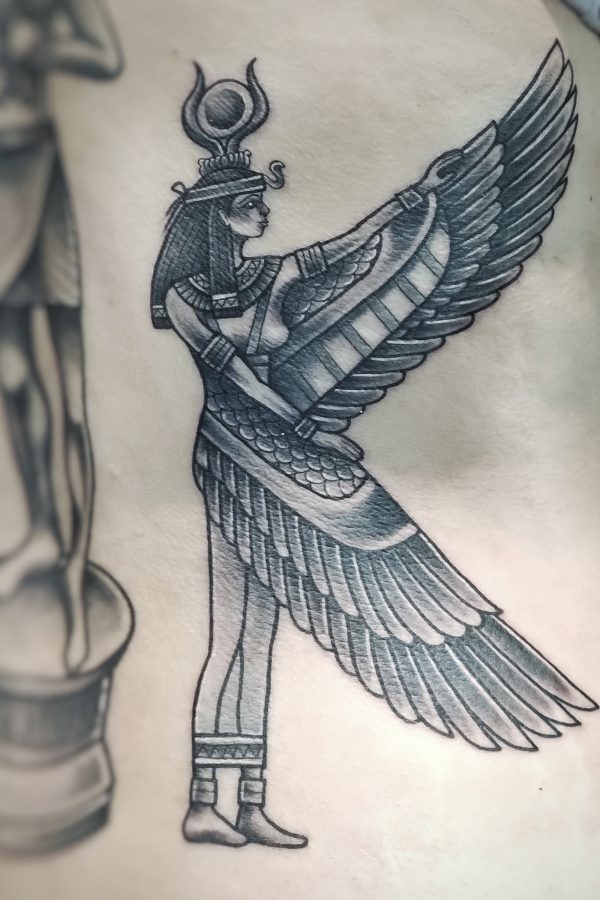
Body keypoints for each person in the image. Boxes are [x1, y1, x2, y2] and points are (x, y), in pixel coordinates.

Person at [151, 51, 596, 849]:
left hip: (283, 453)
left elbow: (353, 247)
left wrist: (416, 197)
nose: (262, 211)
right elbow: (232, 381)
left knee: (257, 633)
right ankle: (201, 803)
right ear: (217, 215)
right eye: (250, 204)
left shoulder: (272, 278)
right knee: (232, 630)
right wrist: (299, 429)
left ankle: (245, 802)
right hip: (234, 453)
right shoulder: (188, 298)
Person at [0, 0, 122, 671]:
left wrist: (38, 46)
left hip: (33, 173)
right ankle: (44, 535)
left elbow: (105, 55)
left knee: (70, 397)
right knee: (15, 378)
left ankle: (75, 581)